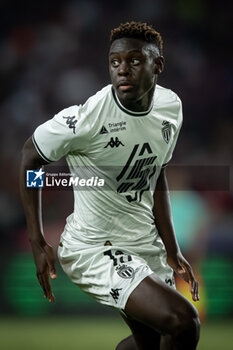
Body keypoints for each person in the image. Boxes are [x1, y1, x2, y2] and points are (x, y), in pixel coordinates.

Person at [20, 21, 200, 350]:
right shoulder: (87, 119)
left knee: (151, 343)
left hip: (144, 244)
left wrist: (172, 249)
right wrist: (37, 240)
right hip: (95, 248)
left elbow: (156, 174)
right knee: (182, 322)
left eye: (134, 61)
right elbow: (30, 157)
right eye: (115, 62)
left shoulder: (170, 108)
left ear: (157, 65)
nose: (122, 70)